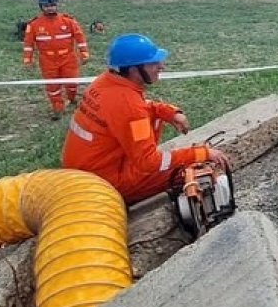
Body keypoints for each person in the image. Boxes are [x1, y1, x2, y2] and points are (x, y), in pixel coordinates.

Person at [62, 33, 231, 205]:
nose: (161, 67)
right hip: (104, 184)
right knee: (192, 170)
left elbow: (139, 108)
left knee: (154, 121)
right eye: (153, 63)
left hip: (85, 171)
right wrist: (201, 153)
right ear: (134, 70)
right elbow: (148, 162)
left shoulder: (106, 82)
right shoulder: (128, 104)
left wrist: (168, 112)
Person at [23, 0, 90, 119]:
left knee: (72, 83)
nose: (50, 8)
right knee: (53, 86)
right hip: (47, 61)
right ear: (41, 7)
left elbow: (80, 38)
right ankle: (57, 108)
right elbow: (28, 44)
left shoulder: (68, 21)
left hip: (68, 58)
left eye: (53, 5)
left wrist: (84, 53)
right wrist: (28, 59)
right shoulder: (34, 25)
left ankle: (71, 98)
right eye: (47, 6)